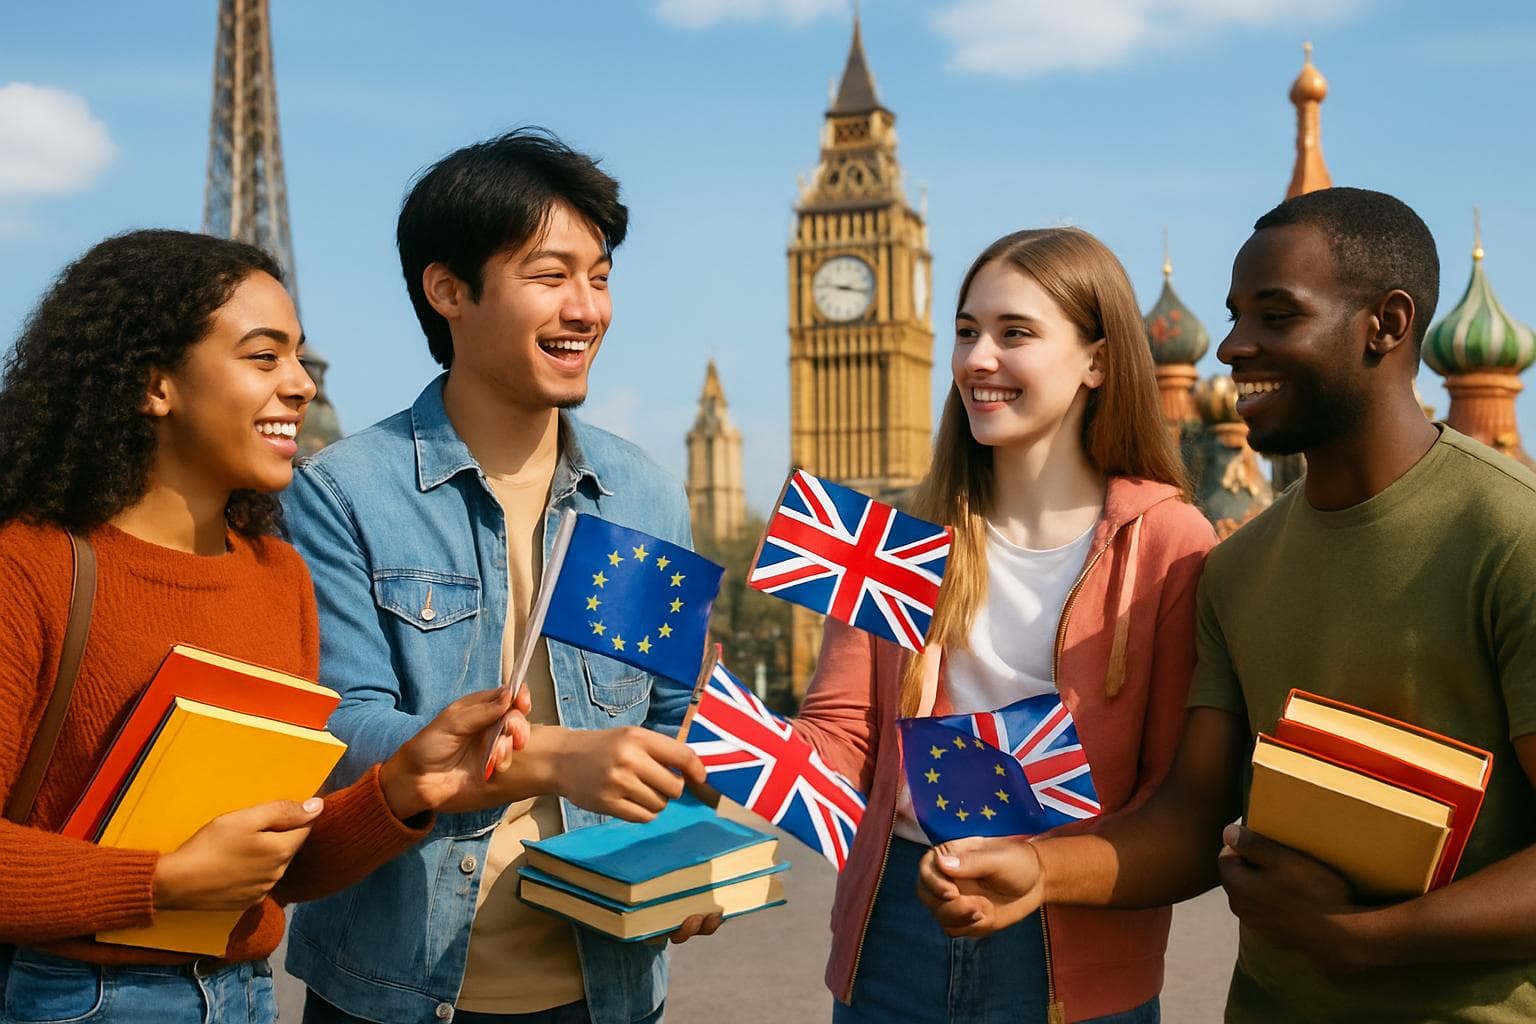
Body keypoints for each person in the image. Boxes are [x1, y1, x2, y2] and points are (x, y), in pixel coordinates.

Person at [918, 188, 1536, 1021]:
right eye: (1235, 316)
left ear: (1386, 325)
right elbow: (1191, 814)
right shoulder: (1239, 565)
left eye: (1276, 316)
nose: (1235, 347)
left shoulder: (1511, 534)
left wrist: (1370, 940)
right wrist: (1039, 871)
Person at [0, 229, 535, 1024]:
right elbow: (193, 873)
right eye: (263, 357)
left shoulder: (278, 578)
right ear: (155, 384)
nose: (301, 385)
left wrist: (402, 787)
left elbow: (277, 864)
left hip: (247, 995)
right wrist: (163, 881)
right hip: (72, 998)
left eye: (299, 358)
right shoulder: (30, 567)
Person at [281, 128, 716, 1024]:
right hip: (396, 991)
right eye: (550, 275)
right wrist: (557, 758)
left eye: (599, 277)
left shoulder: (640, 495)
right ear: (448, 290)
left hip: (610, 992)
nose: (587, 309)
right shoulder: (343, 493)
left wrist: (684, 859)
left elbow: (667, 723)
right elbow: (340, 733)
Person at [790, 226, 1217, 1023]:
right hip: (895, 933)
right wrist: (715, 739)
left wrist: (1043, 873)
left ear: (1097, 360)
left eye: (1014, 333)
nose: (977, 359)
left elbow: (1179, 810)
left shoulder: (1171, 543)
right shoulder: (895, 535)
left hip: (1074, 951)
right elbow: (842, 740)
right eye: (965, 332)